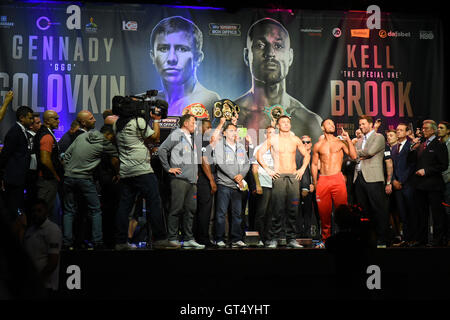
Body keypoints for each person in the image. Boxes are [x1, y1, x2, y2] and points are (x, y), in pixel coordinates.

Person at [235, 18, 322, 144]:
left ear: (290, 57)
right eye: (260, 45)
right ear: (246, 56)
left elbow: (316, 163)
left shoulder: (309, 121)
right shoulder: (233, 116)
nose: (270, 53)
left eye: (278, 46)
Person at [113, 101, 173, 250]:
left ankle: (120, 241)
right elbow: (155, 137)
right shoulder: (138, 122)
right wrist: (156, 120)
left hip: (126, 171)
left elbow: (139, 140)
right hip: (142, 171)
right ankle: (160, 239)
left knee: (124, 207)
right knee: (155, 202)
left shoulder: (117, 124)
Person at [62, 125, 119, 250]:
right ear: (109, 135)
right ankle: (97, 242)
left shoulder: (82, 136)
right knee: (96, 210)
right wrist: (118, 173)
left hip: (68, 177)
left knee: (69, 211)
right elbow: (115, 159)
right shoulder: (105, 144)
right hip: (85, 178)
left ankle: (67, 243)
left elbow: (65, 156)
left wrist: (69, 171)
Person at [257, 115, 310, 248]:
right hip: (279, 176)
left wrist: (302, 169)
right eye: (283, 122)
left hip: (293, 177)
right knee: (278, 209)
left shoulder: (295, 139)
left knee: (293, 209)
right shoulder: (273, 139)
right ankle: (274, 238)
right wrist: (268, 170)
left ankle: (291, 239)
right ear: (278, 125)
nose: (286, 124)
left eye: (288, 122)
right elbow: (259, 154)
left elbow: (307, 155)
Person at [150, 16, 220, 116]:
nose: (171, 59)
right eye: (163, 49)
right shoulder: (145, 102)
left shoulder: (210, 101)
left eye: (182, 49)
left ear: (198, 58)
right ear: (153, 57)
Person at [158, 114, 205, 249]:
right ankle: (172, 238)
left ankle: (189, 238)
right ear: (185, 123)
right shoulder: (177, 133)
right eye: (193, 123)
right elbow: (162, 150)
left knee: (190, 210)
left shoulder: (191, 138)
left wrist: (195, 173)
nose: (195, 126)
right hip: (179, 179)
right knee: (176, 209)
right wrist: (168, 168)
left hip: (191, 181)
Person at [311, 119, 357, 248]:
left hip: (337, 179)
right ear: (322, 127)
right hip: (323, 180)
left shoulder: (340, 142)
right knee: (324, 214)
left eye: (333, 124)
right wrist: (315, 182)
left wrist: (347, 139)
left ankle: (345, 240)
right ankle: (325, 240)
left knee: (342, 212)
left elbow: (353, 156)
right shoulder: (318, 145)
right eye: (329, 123)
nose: (332, 125)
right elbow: (314, 165)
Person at [408, 120, 449, 247]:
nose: (423, 130)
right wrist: (412, 148)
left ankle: (438, 240)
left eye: (425, 128)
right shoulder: (421, 144)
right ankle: (422, 239)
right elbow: (411, 161)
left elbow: (443, 165)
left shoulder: (439, 145)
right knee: (421, 213)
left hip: (434, 185)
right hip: (420, 186)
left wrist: (426, 170)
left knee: (437, 214)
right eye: (422, 128)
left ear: (433, 130)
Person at [353, 115, 389, 248]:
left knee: (378, 209)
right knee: (363, 211)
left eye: (363, 124)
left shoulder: (378, 137)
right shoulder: (360, 140)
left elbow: (371, 151)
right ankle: (367, 239)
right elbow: (358, 154)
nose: (361, 127)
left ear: (370, 124)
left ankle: (382, 239)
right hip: (359, 177)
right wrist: (361, 154)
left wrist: (358, 153)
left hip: (373, 177)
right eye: (360, 124)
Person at [213, 122, 250, 248]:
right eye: (230, 130)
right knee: (221, 213)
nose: (234, 132)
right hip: (224, 184)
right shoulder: (219, 146)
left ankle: (236, 238)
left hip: (237, 186)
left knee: (237, 214)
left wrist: (241, 176)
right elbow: (220, 164)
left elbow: (247, 163)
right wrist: (235, 176)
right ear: (224, 133)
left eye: (235, 130)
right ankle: (219, 238)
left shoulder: (240, 146)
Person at [0, 106, 34, 228]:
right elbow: (5, 154)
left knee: (16, 208)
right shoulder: (15, 132)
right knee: (12, 210)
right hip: (13, 178)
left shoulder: (22, 131)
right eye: (30, 118)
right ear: (21, 118)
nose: (32, 121)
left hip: (18, 177)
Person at [23, 198, 62, 297]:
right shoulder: (30, 231)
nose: (36, 213)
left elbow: (53, 261)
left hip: (46, 286)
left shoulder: (52, 230)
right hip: (31, 284)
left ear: (46, 211)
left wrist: (38, 279)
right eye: (33, 211)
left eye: (39, 210)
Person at [33, 110, 64, 224]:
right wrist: (55, 175)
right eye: (55, 119)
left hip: (47, 179)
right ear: (47, 121)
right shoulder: (47, 136)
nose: (58, 121)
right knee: (45, 213)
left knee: (53, 210)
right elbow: (45, 160)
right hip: (47, 180)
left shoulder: (46, 133)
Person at [391, 123, 416, 247]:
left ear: (407, 132)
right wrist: (394, 180)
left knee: (411, 212)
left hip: (408, 185)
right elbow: (392, 167)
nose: (398, 132)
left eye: (401, 130)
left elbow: (412, 166)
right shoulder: (394, 148)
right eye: (397, 130)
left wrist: (401, 181)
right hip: (397, 186)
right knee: (402, 214)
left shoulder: (412, 146)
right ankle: (405, 239)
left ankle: (413, 238)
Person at [251, 126, 276, 246]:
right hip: (263, 184)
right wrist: (257, 184)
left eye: (274, 132)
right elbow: (254, 168)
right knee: (261, 212)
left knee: (271, 213)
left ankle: (269, 238)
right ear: (265, 135)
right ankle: (258, 238)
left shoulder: (278, 148)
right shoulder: (258, 148)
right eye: (269, 132)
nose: (272, 134)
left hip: (275, 185)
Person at [195, 119, 217, 247]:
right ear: (200, 128)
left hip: (205, 179)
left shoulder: (205, 141)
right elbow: (204, 162)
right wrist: (211, 180)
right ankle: (202, 238)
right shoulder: (200, 140)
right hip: (204, 180)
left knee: (205, 210)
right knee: (204, 210)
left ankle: (200, 237)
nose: (210, 130)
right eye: (207, 127)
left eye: (210, 127)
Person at [437, 121, 450, 244]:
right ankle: (443, 237)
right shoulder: (439, 143)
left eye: (441, 128)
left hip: (448, 181)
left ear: (448, 130)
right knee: (441, 212)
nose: (438, 129)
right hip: (439, 182)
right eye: (438, 128)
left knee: (448, 211)